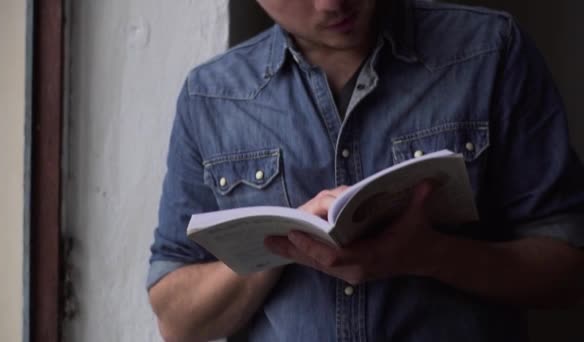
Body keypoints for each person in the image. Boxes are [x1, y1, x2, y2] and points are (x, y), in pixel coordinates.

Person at [147, 0, 584, 341]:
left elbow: (568, 270)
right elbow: (177, 319)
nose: (332, 5)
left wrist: (431, 255)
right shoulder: (212, 97)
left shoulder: (489, 51)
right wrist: (280, 244)